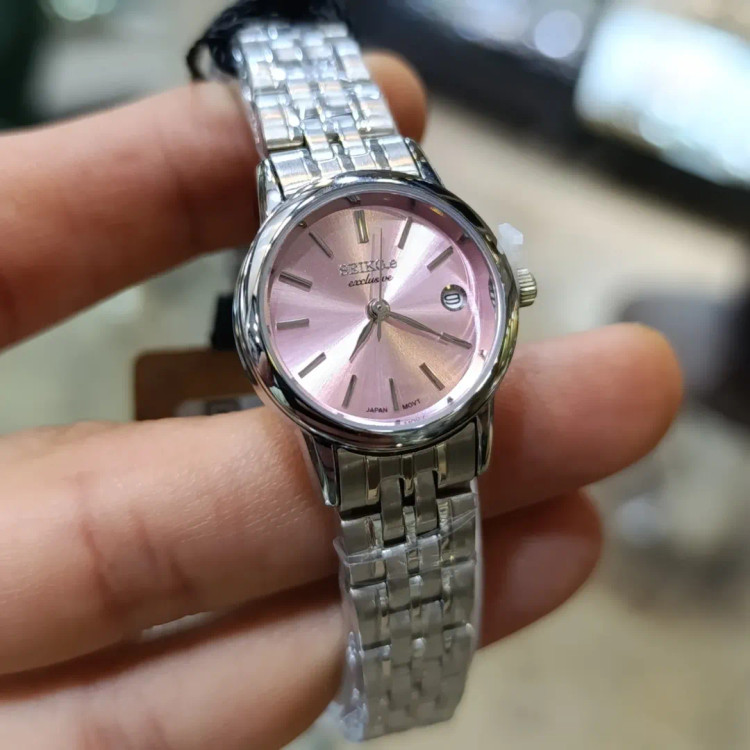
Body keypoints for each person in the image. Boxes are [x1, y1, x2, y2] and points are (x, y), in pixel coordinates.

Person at [0, 54, 682, 747]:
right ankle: (399, 695)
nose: (378, 307)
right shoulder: (280, 234)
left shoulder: (436, 236)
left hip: (446, 411)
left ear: (503, 286)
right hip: (346, 428)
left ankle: (405, 692)